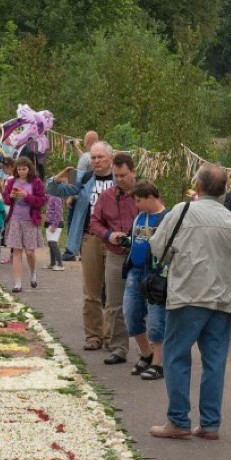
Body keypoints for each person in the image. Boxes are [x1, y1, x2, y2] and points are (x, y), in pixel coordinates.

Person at [148, 164, 231, 440]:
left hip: (189, 294)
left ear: (198, 186)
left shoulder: (182, 211)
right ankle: (210, 424)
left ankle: (178, 419)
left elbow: (158, 247)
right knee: (215, 360)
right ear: (223, 190)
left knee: (177, 354)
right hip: (222, 298)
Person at [46, 142, 114, 350]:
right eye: (93, 157)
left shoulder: (119, 180)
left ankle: (112, 338)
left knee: (113, 293)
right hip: (90, 238)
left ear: (111, 158)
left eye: (100, 157)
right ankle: (93, 336)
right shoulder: (85, 179)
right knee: (91, 291)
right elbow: (54, 189)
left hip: (114, 241)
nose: (96, 161)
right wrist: (57, 178)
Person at [89, 152, 138, 366]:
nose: (119, 180)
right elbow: (94, 222)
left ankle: (152, 353)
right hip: (115, 254)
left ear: (133, 173)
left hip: (140, 256)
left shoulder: (145, 194)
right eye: (116, 176)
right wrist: (109, 235)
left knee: (142, 304)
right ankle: (119, 347)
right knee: (114, 303)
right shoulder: (107, 196)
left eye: (123, 175)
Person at [122, 180, 168, 381]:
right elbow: (136, 239)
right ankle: (145, 353)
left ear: (151, 197)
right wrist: (125, 241)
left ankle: (159, 363)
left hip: (156, 274)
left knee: (156, 318)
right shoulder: (140, 217)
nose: (137, 205)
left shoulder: (167, 218)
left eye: (139, 201)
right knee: (131, 313)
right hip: (135, 271)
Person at [3, 156, 46, 293]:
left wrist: (26, 195)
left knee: (30, 252)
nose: (21, 171)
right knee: (16, 251)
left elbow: (41, 201)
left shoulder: (36, 182)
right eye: (19, 169)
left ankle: (33, 273)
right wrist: (11, 197)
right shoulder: (11, 182)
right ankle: (17, 283)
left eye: (24, 169)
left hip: (30, 221)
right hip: (15, 219)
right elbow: (5, 199)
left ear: (29, 169)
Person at [44, 193, 64, 271]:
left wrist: (55, 225)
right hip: (49, 223)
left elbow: (58, 212)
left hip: (56, 224)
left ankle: (60, 264)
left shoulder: (57, 197)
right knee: (50, 243)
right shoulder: (50, 196)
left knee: (53, 242)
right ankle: (52, 263)